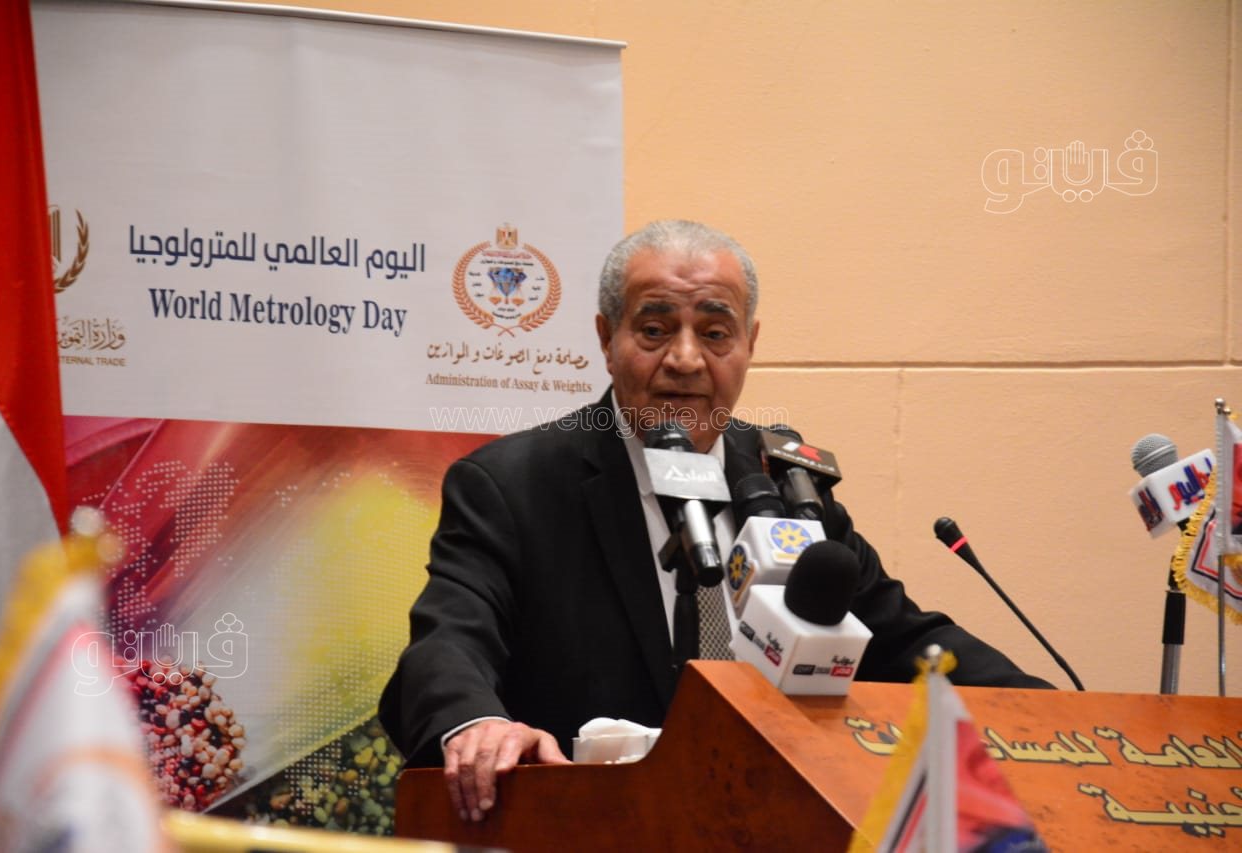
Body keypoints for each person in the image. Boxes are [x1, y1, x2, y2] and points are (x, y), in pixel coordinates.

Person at [380, 220, 1051, 824]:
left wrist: (1046, 717)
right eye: (653, 329)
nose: (685, 359)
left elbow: (902, 638)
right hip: (590, 828)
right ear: (606, 339)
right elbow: (448, 642)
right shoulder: (514, 485)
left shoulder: (789, 484)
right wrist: (477, 722)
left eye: (715, 332)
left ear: (749, 343)